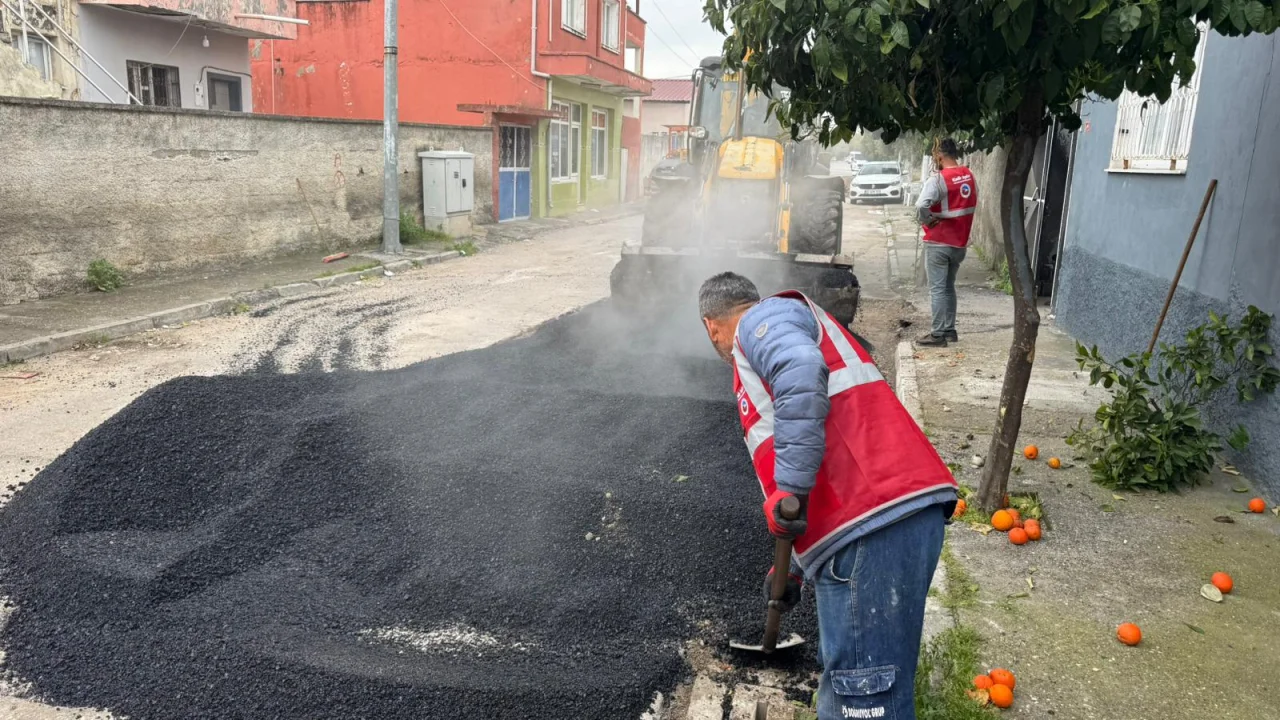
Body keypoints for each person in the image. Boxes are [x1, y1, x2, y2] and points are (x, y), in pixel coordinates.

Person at [698, 272, 958, 720]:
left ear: (711, 325)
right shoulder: (781, 325)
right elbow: (825, 439)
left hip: (874, 521)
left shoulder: (763, 321)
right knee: (854, 685)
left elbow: (800, 370)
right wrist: (796, 566)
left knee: (866, 699)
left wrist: (790, 492)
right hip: (879, 521)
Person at [915, 138, 978, 347]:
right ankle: (950, 330)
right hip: (960, 244)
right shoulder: (969, 176)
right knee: (949, 286)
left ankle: (937, 334)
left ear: (940, 155)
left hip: (939, 242)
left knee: (938, 289)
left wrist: (928, 221)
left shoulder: (938, 180)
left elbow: (921, 206)